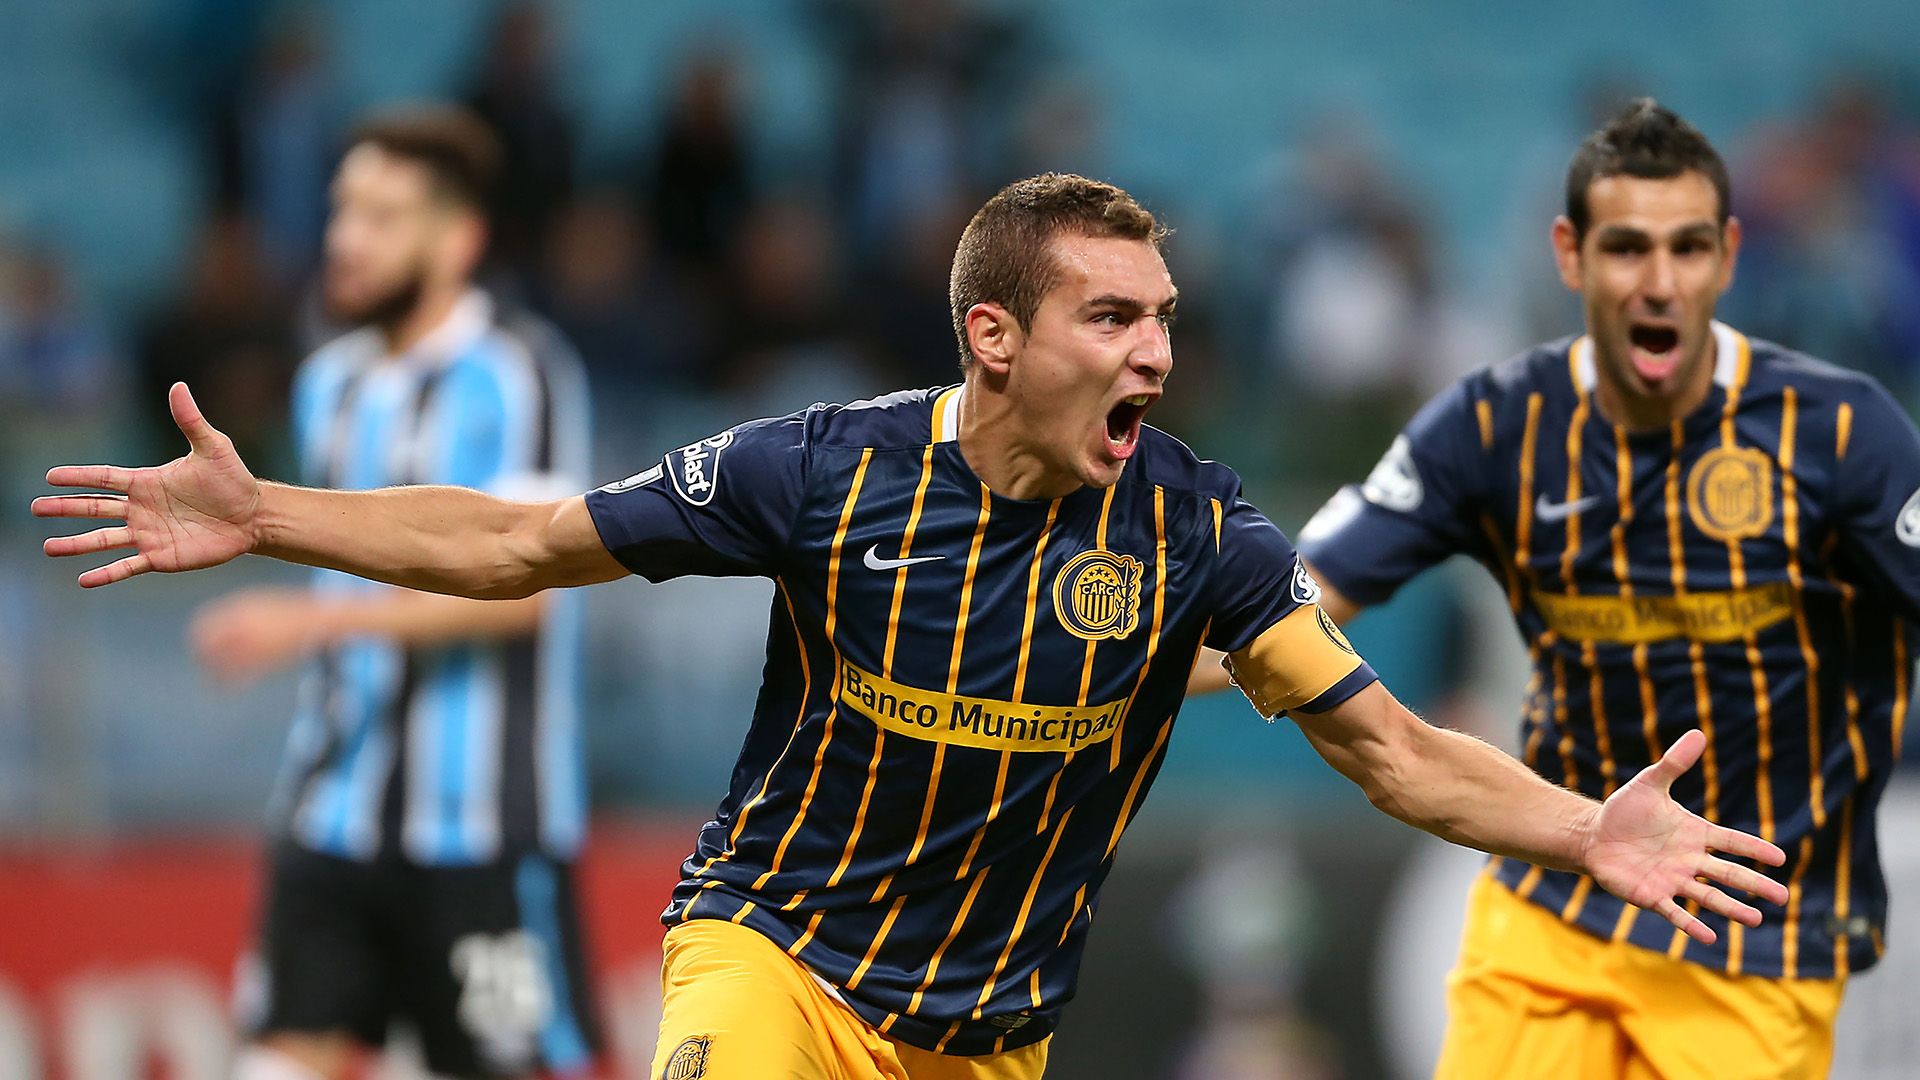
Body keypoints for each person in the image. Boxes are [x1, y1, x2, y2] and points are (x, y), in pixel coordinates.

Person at [37, 173, 1786, 1080]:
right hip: (777, 958)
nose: (1158, 354)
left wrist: (1584, 824)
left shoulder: (1192, 529)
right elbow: (514, 540)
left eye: (1166, 317)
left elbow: (1390, 751)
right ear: (995, 337)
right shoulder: (817, 472)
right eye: (1113, 317)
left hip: (984, 1032)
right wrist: (269, 517)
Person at [1223, 100, 1920, 1078]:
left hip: (1755, 937)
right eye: (1628, 247)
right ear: (1570, 253)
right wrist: (1119, 658)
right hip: (1551, 911)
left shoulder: (1845, 435)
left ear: (1727, 254)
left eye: (1686, 248)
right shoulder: (1491, 424)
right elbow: (1292, 605)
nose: (1660, 282)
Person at [180, 106, 597, 1080]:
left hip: (486, 829)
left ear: (457, 239)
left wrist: (310, 620)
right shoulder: (329, 384)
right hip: (331, 810)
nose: (346, 240)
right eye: (342, 213)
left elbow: (530, 589)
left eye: (380, 216)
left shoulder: (520, 373)